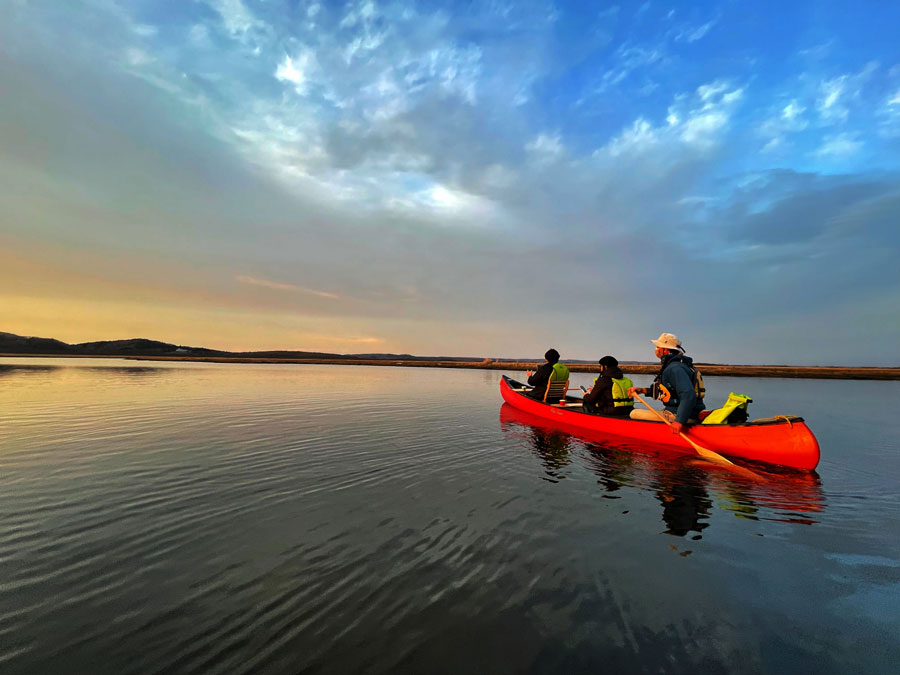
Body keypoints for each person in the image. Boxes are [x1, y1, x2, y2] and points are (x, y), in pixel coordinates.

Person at [627, 333, 705, 434]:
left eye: (658, 347)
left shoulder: (675, 368)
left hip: (680, 414)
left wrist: (679, 421)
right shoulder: (681, 365)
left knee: (634, 413)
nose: (656, 350)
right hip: (691, 412)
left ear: (665, 349)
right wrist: (643, 390)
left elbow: (688, 395)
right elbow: (668, 391)